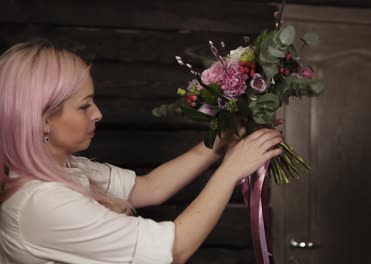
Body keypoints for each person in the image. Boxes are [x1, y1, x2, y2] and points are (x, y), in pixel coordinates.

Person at [0, 39, 283, 264]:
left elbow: (149, 188)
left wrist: (222, 139)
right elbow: (175, 250)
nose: (97, 114)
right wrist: (230, 171)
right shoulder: (43, 202)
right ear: (43, 119)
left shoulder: (66, 168)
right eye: (85, 105)